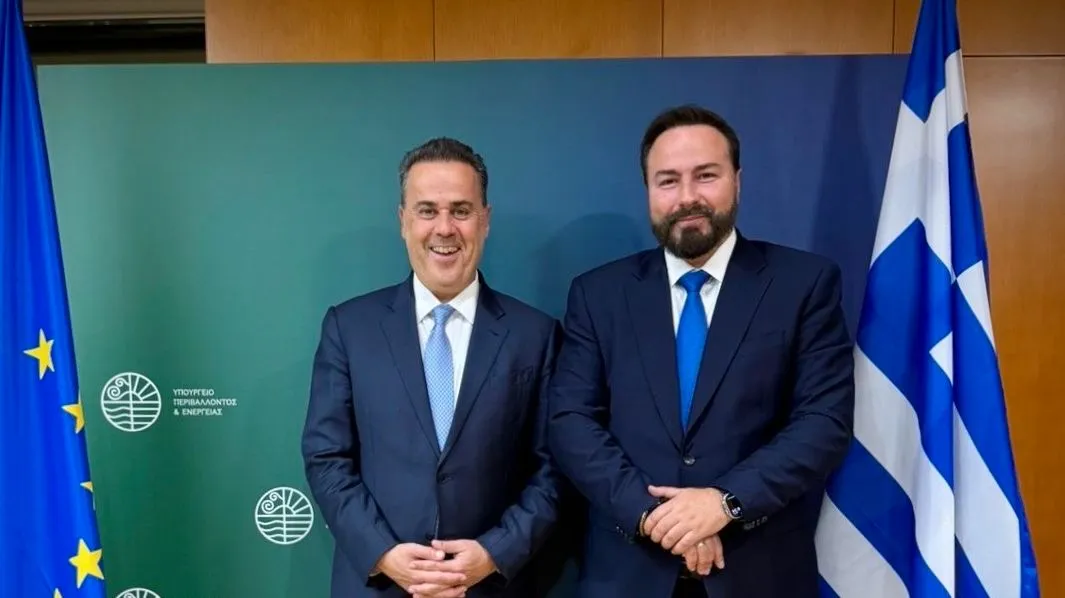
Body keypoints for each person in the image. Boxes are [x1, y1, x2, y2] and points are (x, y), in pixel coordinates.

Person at [546, 104, 856, 598]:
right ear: (648, 190)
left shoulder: (804, 284)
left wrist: (724, 503)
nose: (687, 197)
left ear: (737, 180)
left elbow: (823, 422)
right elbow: (571, 422)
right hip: (627, 574)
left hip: (759, 574)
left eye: (706, 175)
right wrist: (653, 515)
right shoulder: (598, 294)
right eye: (667, 180)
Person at [302, 137, 564, 598]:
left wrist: (495, 553)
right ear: (403, 221)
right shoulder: (350, 328)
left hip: (492, 587)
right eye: (427, 211)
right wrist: (383, 553)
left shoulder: (536, 335)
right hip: (379, 586)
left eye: (461, 210)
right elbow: (327, 457)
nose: (445, 228)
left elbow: (555, 467)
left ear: (485, 220)